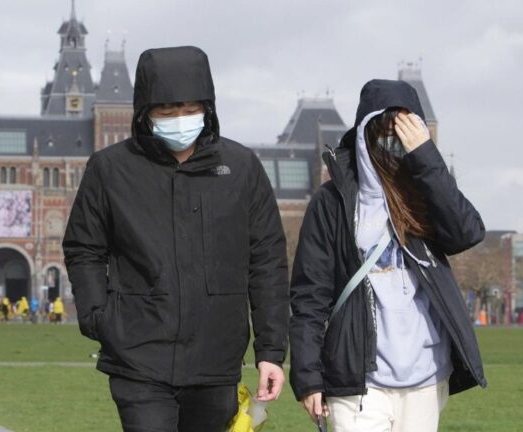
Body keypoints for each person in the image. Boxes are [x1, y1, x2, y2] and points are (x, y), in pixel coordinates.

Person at [63, 45, 289, 432]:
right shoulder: (110, 169)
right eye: (166, 112)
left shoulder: (241, 168)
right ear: (144, 113)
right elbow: (83, 248)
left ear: (208, 108)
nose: (180, 120)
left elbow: (267, 260)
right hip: (137, 355)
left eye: (189, 110)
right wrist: (98, 317)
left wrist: (270, 351)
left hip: (216, 359)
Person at [289, 79, 487, 432]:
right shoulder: (332, 201)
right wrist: (308, 376)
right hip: (356, 378)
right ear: (364, 134)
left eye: (405, 132)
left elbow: (467, 233)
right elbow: (309, 294)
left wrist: (426, 157)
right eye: (383, 132)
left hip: (425, 375)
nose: (392, 144)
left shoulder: (426, 193)